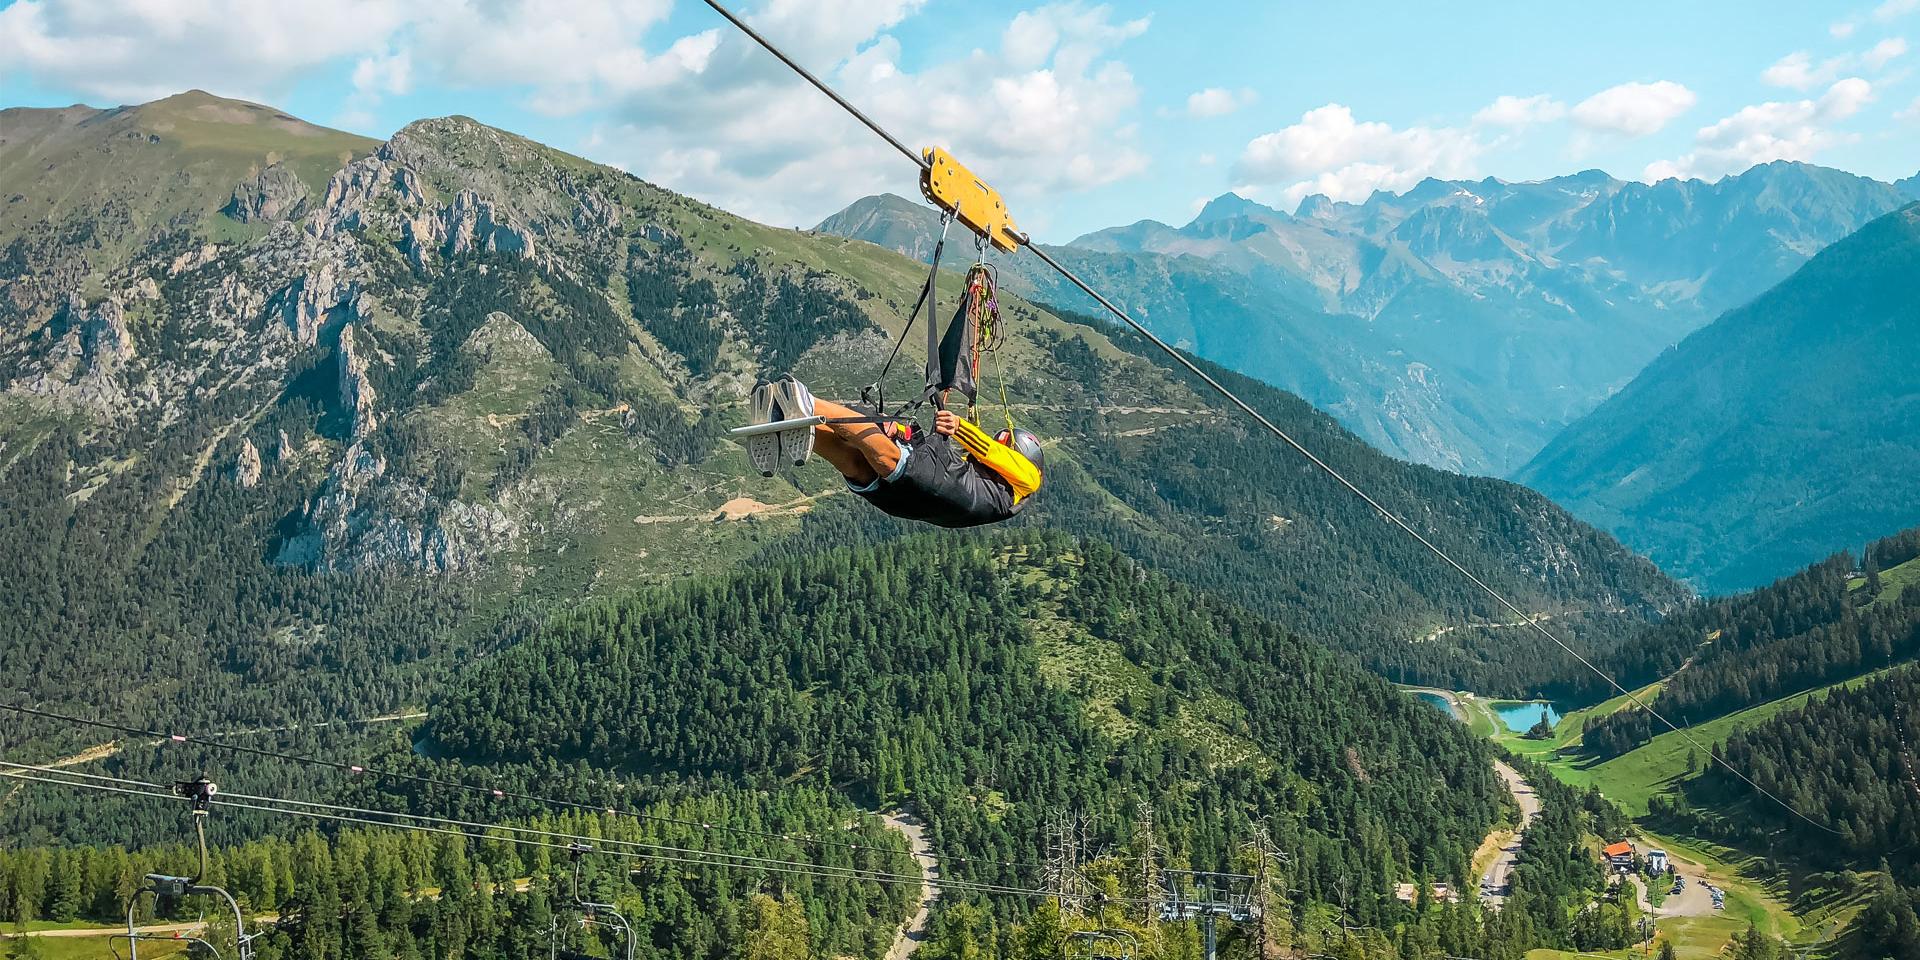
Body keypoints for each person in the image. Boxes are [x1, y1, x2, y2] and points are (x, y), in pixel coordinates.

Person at [750, 375, 1042, 528]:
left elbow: (990, 451)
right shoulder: (991, 490)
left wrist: (960, 427)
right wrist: (904, 433)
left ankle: (808, 403)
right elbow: (946, 457)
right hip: (920, 506)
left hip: (944, 492)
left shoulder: (1028, 480)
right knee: (857, 465)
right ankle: (791, 424)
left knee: (889, 458)